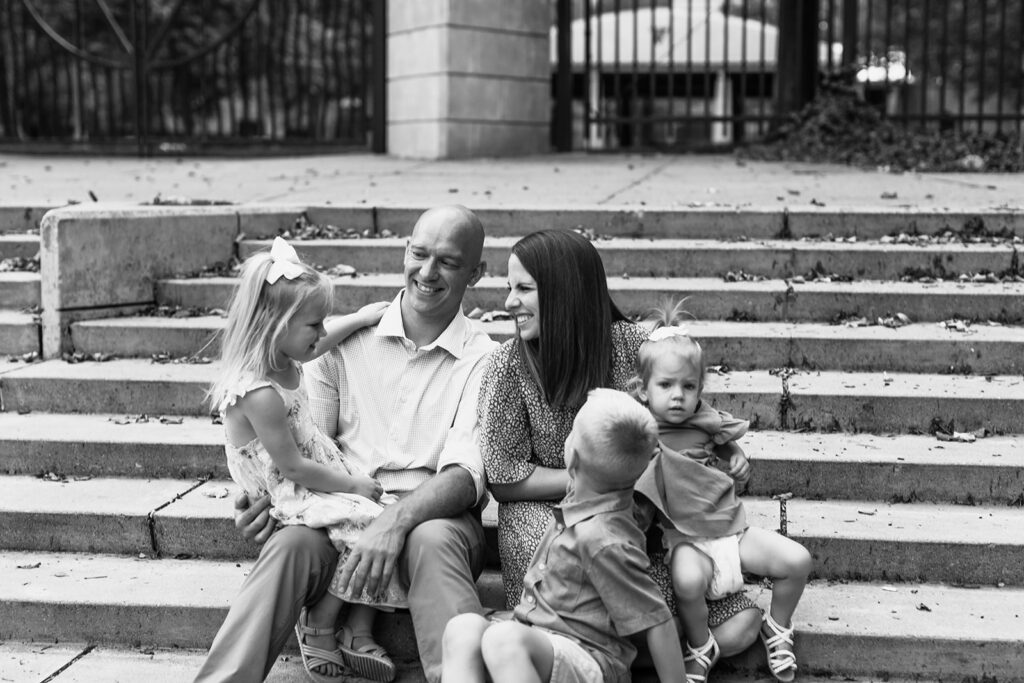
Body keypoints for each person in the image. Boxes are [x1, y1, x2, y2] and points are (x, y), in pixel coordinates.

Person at [194, 205, 497, 683]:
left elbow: (465, 477)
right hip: (336, 502)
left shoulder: (485, 361)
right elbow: (299, 439)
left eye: (448, 262)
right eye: (419, 254)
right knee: (294, 543)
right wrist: (264, 500)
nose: (427, 272)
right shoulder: (337, 342)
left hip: (435, 520)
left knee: (431, 538)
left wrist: (394, 520)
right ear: (404, 251)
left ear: (476, 274)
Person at [478, 229, 763, 660]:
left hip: (637, 521)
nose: (508, 302)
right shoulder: (505, 367)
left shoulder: (634, 347)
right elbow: (505, 479)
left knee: (742, 626)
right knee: (591, 589)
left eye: (523, 289)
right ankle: (627, 645)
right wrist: (600, 478)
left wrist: (728, 450)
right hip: (553, 522)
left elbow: (687, 416)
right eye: (508, 288)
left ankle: (612, 649)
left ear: (563, 292)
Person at [204, 236, 400, 682]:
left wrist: (362, 317)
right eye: (314, 323)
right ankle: (322, 622)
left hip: (307, 466)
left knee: (383, 519)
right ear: (276, 327)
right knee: (366, 522)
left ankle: (341, 622)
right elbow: (290, 468)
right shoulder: (260, 393)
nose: (321, 331)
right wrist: (352, 484)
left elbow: (323, 340)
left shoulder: (288, 354)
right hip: (289, 482)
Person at [442, 389, 686, 683]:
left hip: (588, 659)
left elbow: (657, 620)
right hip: (542, 641)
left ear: (573, 460)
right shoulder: (584, 495)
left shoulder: (607, 539)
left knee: (503, 640)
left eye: (572, 433)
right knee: (462, 629)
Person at [630, 304, 813, 683]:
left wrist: (738, 458)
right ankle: (701, 645)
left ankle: (777, 627)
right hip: (686, 539)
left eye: (689, 386)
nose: (678, 396)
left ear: (700, 387)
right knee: (687, 582)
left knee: (797, 561)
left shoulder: (707, 421)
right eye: (666, 385)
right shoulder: (642, 432)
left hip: (732, 531)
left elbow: (725, 444)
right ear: (643, 390)